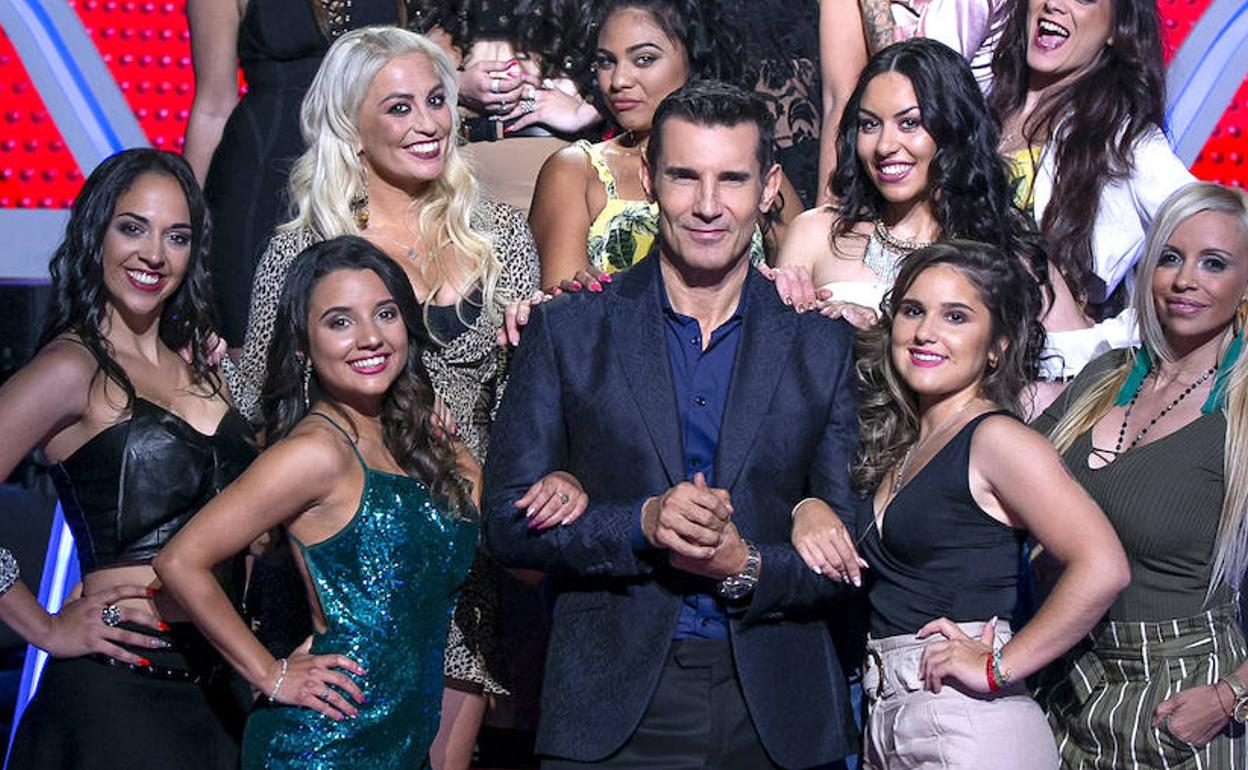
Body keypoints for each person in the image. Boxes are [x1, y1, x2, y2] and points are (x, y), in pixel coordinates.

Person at [484, 81, 860, 769]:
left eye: (732, 179)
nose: (708, 205)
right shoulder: (570, 327)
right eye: (685, 176)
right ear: (650, 178)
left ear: (769, 187)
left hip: (780, 709)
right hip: (612, 707)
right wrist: (641, 522)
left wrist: (749, 564)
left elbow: (850, 545)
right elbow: (507, 524)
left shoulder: (820, 341)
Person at [228, 26, 550, 769]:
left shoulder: (498, 235)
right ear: (351, 126)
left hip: (459, 562)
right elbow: (260, 410)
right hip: (343, 570)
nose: (428, 123)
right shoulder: (303, 248)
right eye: (399, 107)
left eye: (437, 101)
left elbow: (522, 406)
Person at [791, 239, 1129, 768]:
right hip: (891, 718)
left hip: (967, 719)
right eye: (913, 311)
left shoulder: (996, 439)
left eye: (956, 316)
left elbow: (1104, 566)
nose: (926, 331)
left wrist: (998, 665)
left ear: (996, 346)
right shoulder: (903, 445)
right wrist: (806, 508)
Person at [155, 236, 480, 767]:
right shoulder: (316, 452)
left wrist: (446, 437)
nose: (371, 337)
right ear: (304, 347)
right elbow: (179, 561)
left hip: (400, 744)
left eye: (385, 314)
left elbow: (471, 514)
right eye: (340, 322)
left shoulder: (403, 442)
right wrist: (271, 673)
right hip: (323, 746)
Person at [0, 148, 251, 769]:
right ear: (96, 234)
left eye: (177, 237)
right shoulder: (71, 367)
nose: (154, 255)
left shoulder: (204, 368)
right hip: (115, 696)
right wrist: (43, 626)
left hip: (220, 696)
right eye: (133, 228)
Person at [1032, 182, 1248, 768]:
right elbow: (1001, 479)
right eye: (1171, 258)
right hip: (1068, 677)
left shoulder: (1242, 408)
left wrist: (1230, 697)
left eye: (1214, 263)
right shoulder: (1104, 377)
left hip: (1183, 693)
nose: (1185, 280)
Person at [770, 38, 1086, 378]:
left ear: (953, 127)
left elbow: (1081, 373)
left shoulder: (1005, 246)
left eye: (909, 123)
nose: (885, 146)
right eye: (869, 124)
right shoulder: (816, 233)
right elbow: (774, 368)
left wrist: (877, 334)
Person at [528, 0, 803, 291]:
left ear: (693, 58)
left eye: (644, 59)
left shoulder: (747, 165)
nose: (618, 81)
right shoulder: (576, 170)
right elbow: (561, 307)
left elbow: (807, 281)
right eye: (606, 61)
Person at [988, 0, 1195, 381]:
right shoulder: (981, 108)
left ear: (1117, 27)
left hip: (1032, 384)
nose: (1053, 4)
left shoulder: (1125, 143)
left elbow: (1221, 244)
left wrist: (1097, 345)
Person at [183, 0, 410, 347]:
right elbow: (213, 107)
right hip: (263, 180)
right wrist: (185, 221)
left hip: (368, 177)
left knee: (376, 333)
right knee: (252, 338)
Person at [411, 0, 603, 213]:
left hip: (540, 170)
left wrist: (587, 113)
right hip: (451, 170)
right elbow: (396, 81)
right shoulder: (449, 13)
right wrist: (455, 84)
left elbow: (628, 54)